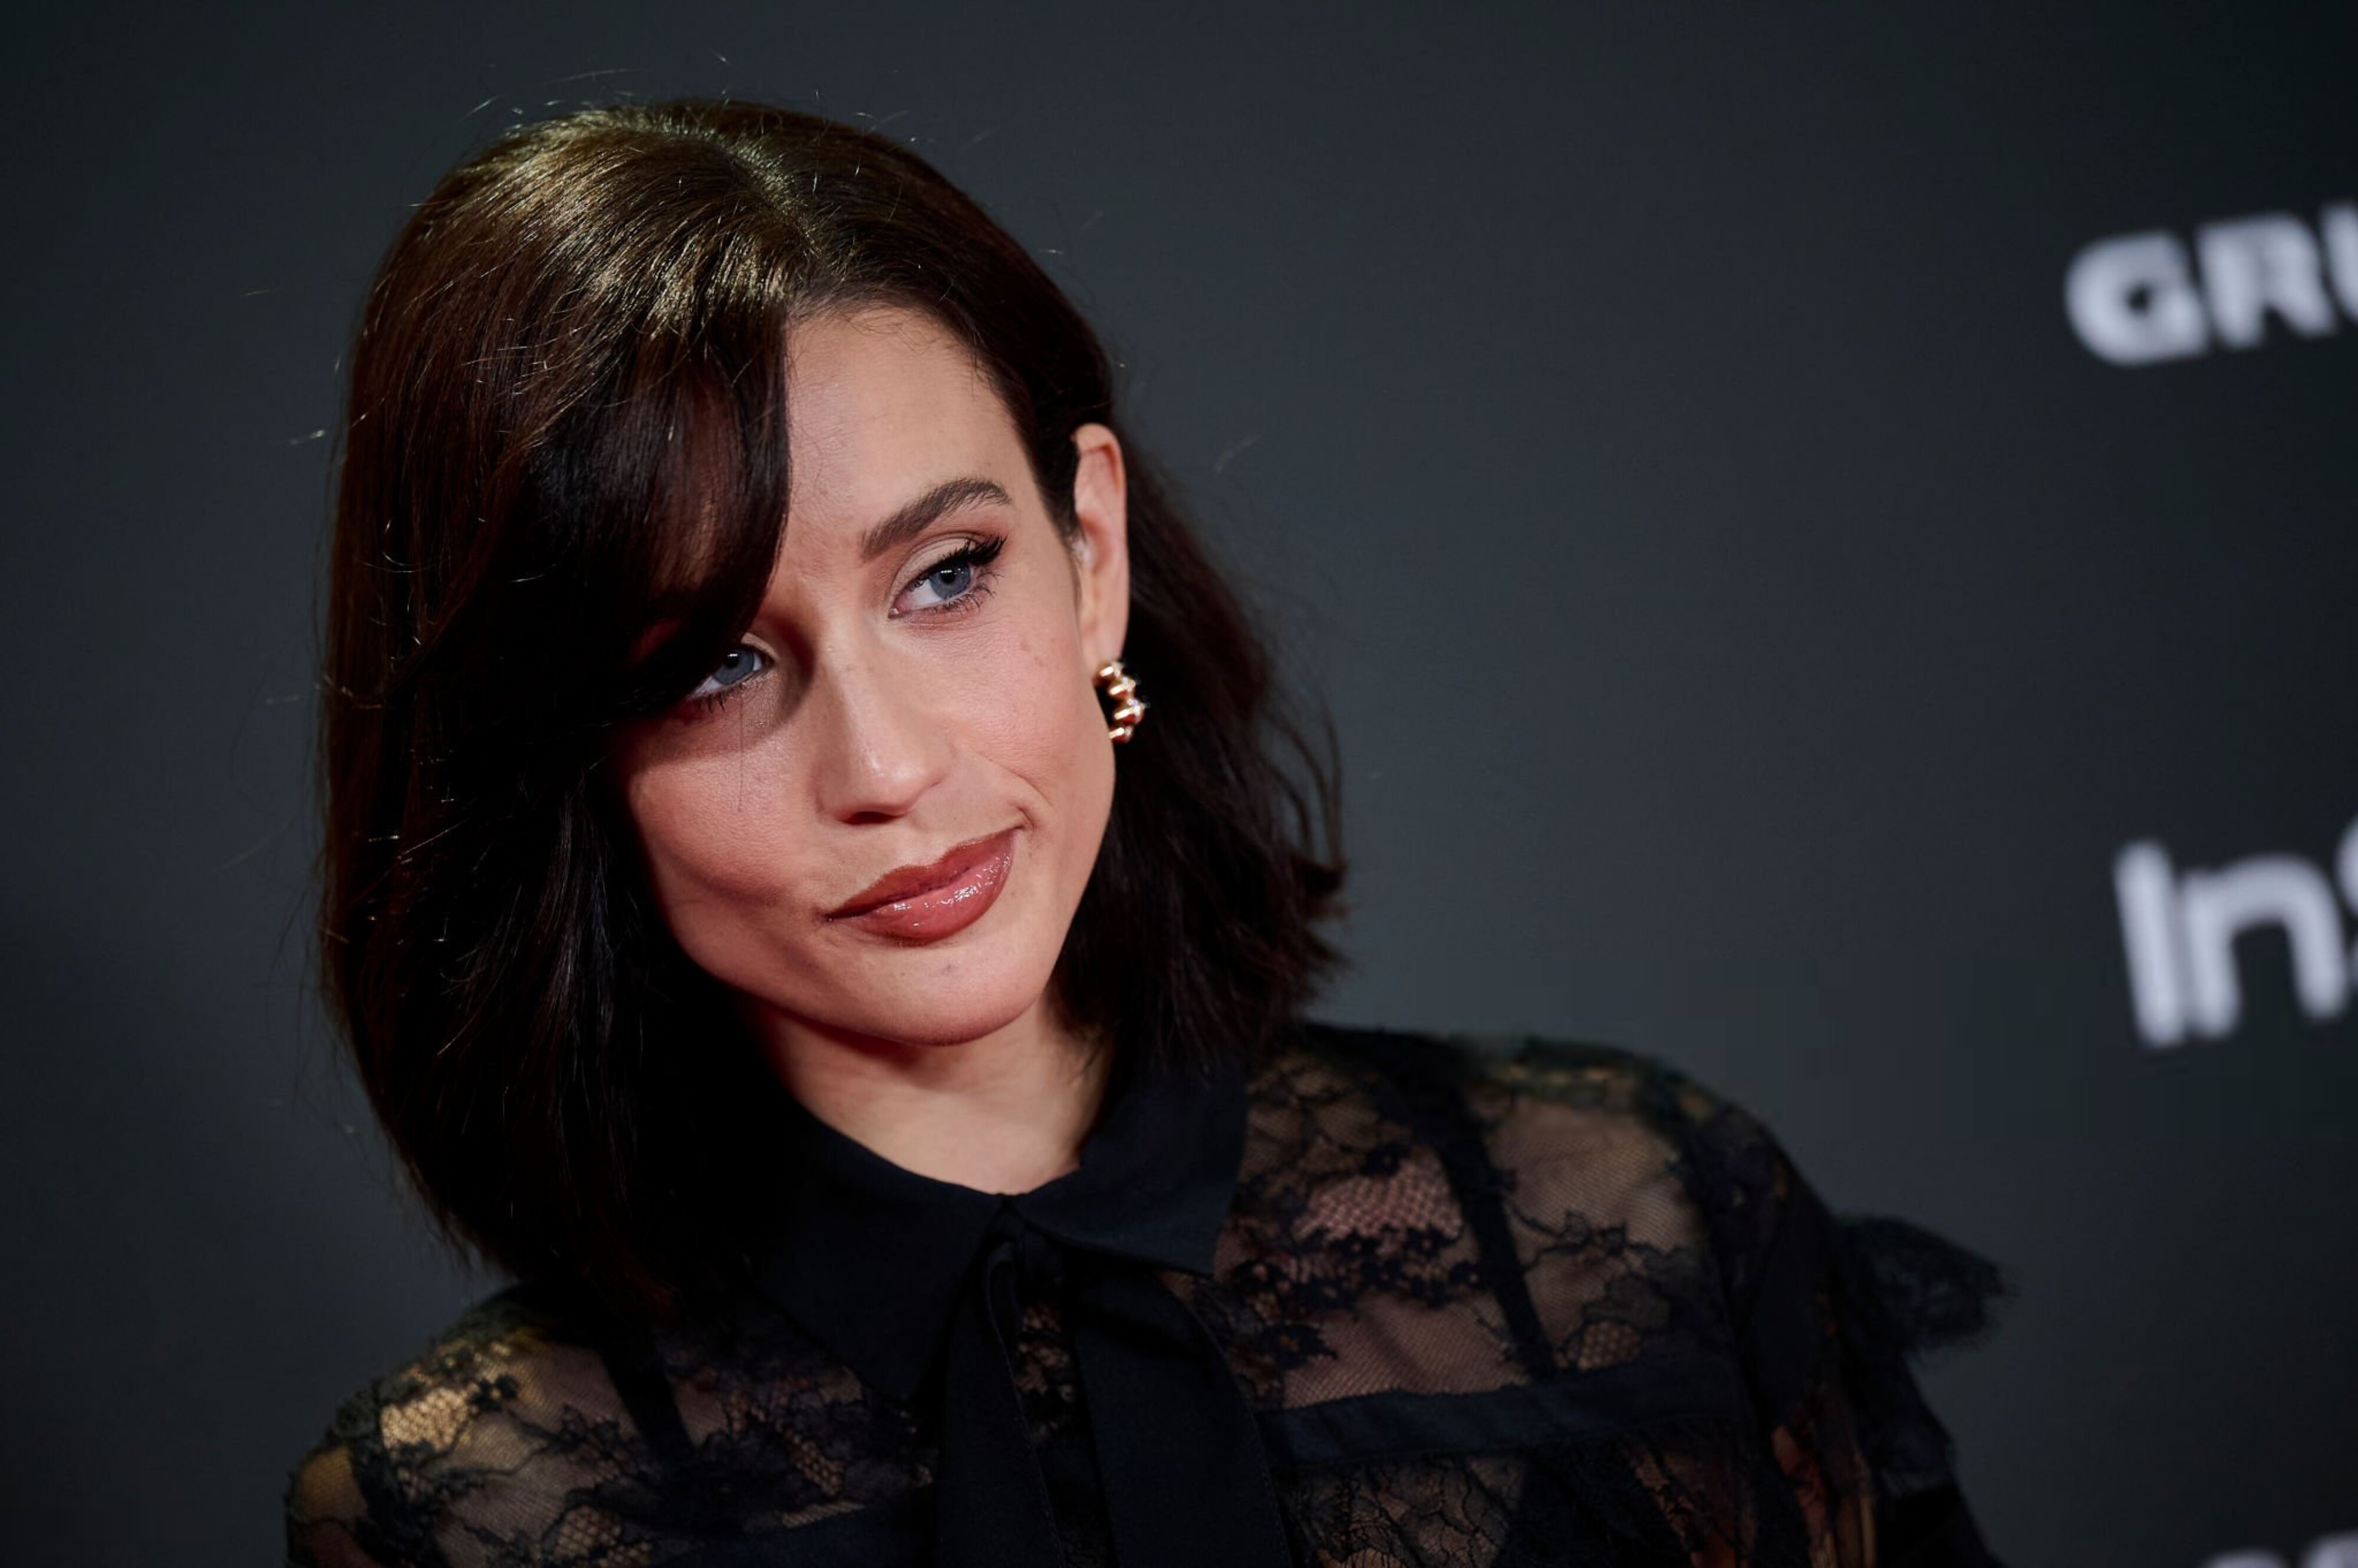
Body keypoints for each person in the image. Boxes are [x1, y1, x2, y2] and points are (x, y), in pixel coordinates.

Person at [285, 98, 2010, 1568]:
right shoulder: (458, 1518)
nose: (885, 766)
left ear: (1091, 553)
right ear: (557, 763)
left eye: (947, 576)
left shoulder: (1647, 1226)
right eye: (713, 666)